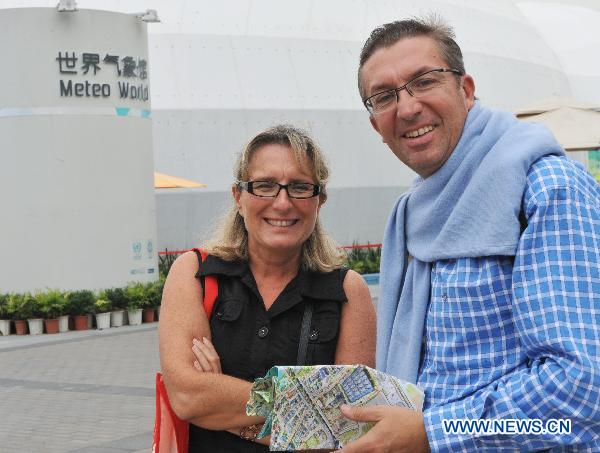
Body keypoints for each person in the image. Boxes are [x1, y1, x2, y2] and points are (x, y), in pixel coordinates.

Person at [339, 16, 600, 452]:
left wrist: (432, 433)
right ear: (375, 126)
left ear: (466, 89)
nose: (406, 108)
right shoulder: (412, 212)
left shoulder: (544, 188)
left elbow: (582, 388)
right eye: (384, 97)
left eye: (424, 81)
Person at [158, 124, 376, 452]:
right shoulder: (196, 275)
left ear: (320, 200)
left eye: (300, 187)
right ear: (238, 197)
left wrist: (221, 402)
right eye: (265, 186)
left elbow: (346, 425)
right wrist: (304, 411)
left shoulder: (347, 292)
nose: (283, 202)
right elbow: (189, 397)